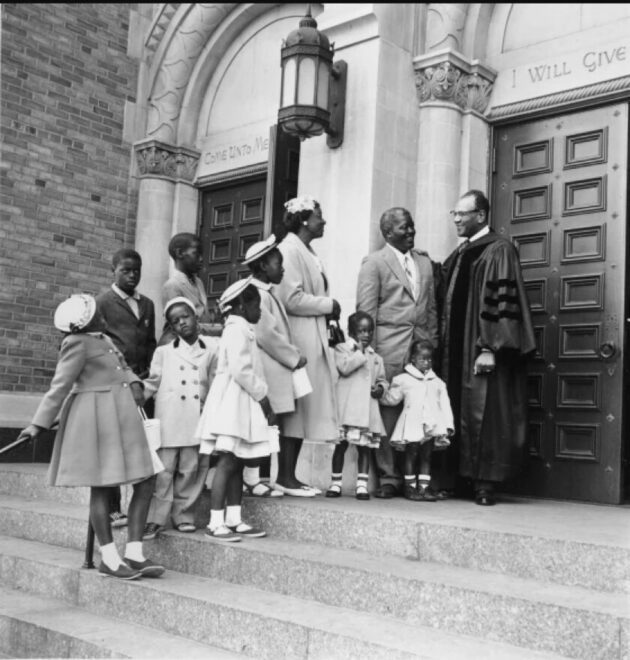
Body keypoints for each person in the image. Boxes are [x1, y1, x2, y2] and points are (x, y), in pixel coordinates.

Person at [16, 294, 164, 580]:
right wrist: (38, 424)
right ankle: (109, 557)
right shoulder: (76, 343)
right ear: (88, 321)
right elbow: (60, 385)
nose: (102, 314)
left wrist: (134, 382)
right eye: (97, 313)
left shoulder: (103, 339)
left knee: (146, 479)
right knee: (103, 486)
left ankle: (134, 553)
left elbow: (122, 367)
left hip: (123, 419)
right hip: (96, 420)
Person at [440, 189, 536, 506]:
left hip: (480, 350)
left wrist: (489, 347)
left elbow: (501, 303)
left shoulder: (499, 250)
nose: (455, 218)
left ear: (480, 216)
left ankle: (484, 484)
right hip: (456, 352)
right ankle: (460, 478)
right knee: (460, 410)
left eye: (461, 213)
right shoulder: (460, 254)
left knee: (484, 413)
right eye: (453, 213)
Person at [356, 207, 438, 498]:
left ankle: (414, 478)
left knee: (420, 413)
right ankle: (390, 478)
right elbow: (366, 313)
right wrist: (369, 356)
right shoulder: (374, 263)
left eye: (412, 226)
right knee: (388, 415)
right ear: (388, 232)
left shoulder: (425, 263)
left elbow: (430, 309)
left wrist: (432, 344)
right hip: (388, 350)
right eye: (404, 228)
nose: (411, 231)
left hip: (420, 351)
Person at [196, 277, 277, 541]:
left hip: (241, 402)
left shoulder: (242, 327)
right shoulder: (236, 329)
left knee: (238, 462)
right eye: (256, 305)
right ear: (242, 305)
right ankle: (215, 521)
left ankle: (233, 518)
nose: (260, 311)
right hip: (233, 402)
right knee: (228, 462)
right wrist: (263, 396)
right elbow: (241, 370)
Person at [274, 195, 340, 496]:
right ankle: (285, 476)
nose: (323, 221)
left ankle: (291, 475)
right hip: (299, 337)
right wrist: (329, 304)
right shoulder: (289, 250)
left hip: (312, 335)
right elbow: (291, 298)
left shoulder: (307, 250)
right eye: (318, 215)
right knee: (296, 407)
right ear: (303, 220)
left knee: (304, 405)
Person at [141, 297, 218, 540]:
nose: (182, 323)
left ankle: (184, 514)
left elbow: (215, 384)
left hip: (196, 418)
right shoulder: (163, 352)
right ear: (172, 328)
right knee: (163, 472)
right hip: (170, 419)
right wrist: (135, 396)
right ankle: (156, 518)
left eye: (185, 316)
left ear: (196, 316)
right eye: (175, 321)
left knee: (191, 470)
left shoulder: (211, 350)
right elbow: (151, 383)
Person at [242, 235, 307, 498]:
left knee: (272, 425)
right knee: (265, 423)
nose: (282, 269)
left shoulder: (268, 293)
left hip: (275, 370)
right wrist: (294, 357)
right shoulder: (257, 293)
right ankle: (255, 478)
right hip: (268, 370)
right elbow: (267, 334)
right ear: (262, 267)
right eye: (278, 264)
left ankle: (264, 478)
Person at [96, 248, 157, 529]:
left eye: (136, 270)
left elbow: (150, 343)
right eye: (126, 270)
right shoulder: (101, 303)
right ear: (113, 270)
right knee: (113, 446)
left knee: (139, 445)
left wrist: (149, 376)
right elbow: (100, 346)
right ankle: (112, 507)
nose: (132, 275)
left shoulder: (147, 304)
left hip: (142, 385)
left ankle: (141, 506)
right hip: (116, 385)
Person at [380, 340, 454, 501]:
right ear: (413, 359)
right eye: (422, 359)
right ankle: (410, 487)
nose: (426, 363)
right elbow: (393, 399)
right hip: (412, 425)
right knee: (411, 454)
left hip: (430, 427)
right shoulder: (404, 380)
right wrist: (380, 394)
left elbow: (445, 405)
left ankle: (424, 488)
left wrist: (448, 425)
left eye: (429, 359)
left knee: (427, 456)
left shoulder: (437, 383)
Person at [325, 311, 387, 501]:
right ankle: (335, 483)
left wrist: (381, 388)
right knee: (341, 446)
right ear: (351, 331)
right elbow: (344, 368)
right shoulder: (343, 349)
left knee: (364, 449)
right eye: (361, 330)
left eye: (369, 331)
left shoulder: (376, 357)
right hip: (347, 410)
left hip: (366, 413)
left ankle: (362, 485)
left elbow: (382, 379)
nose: (366, 335)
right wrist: (359, 352)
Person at [159, 232, 221, 345]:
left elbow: (201, 316)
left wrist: (216, 317)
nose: (201, 259)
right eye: (196, 254)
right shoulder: (172, 286)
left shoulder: (198, 282)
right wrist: (220, 328)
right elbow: (182, 326)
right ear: (179, 253)